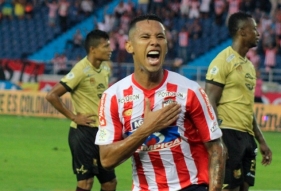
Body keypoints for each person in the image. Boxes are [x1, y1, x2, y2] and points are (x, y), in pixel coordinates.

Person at [95, 14, 227, 191]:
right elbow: (106, 160)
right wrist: (146, 129)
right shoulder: (113, 97)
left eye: (160, 37)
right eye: (145, 37)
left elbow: (217, 148)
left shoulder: (190, 90)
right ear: (129, 46)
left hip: (190, 186)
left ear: (166, 45)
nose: (154, 42)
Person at [205, 12, 272, 191]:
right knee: (230, 186)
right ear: (242, 32)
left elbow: (247, 108)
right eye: (254, 29)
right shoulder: (222, 61)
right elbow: (209, 99)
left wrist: (261, 141)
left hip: (246, 135)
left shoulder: (249, 66)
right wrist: (217, 137)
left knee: (244, 186)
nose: (258, 33)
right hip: (228, 132)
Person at [45, 30, 117, 191]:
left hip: (101, 133)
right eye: (105, 46)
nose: (110, 49)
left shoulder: (105, 68)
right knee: (86, 183)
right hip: (83, 133)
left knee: (110, 183)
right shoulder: (80, 70)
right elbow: (51, 95)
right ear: (93, 49)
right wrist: (74, 116)